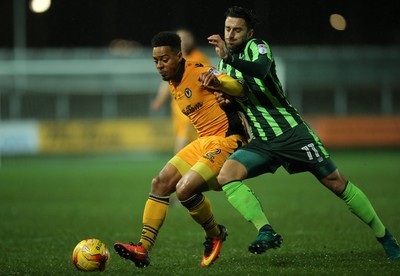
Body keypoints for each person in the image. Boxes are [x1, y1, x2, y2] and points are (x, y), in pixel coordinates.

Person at [204, 5, 400, 260]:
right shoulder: (223, 65)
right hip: (262, 140)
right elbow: (241, 101)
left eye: (237, 30)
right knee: (227, 175)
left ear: (249, 32)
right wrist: (227, 102)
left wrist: (230, 59)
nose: (230, 35)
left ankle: (386, 238)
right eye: (227, 29)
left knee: (336, 183)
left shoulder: (257, 47)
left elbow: (261, 70)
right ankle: (266, 231)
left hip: (292, 133)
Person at [114, 31, 247, 268]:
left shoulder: (198, 70)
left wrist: (220, 84)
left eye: (164, 60)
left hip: (226, 140)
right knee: (160, 183)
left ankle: (214, 234)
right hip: (204, 141)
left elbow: (237, 86)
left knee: (183, 190)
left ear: (178, 56)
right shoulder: (173, 81)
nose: (160, 66)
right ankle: (143, 249)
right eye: (156, 61)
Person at [151, 29, 211, 153]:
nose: (184, 41)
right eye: (181, 38)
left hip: (195, 105)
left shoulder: (198, 57)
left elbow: (208, 77)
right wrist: (159, 100)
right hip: (179, 106)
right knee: (184, 136)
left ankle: (177, 166)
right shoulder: (174, 61)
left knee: (186, 137)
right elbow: (166, 82)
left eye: (186, 38)